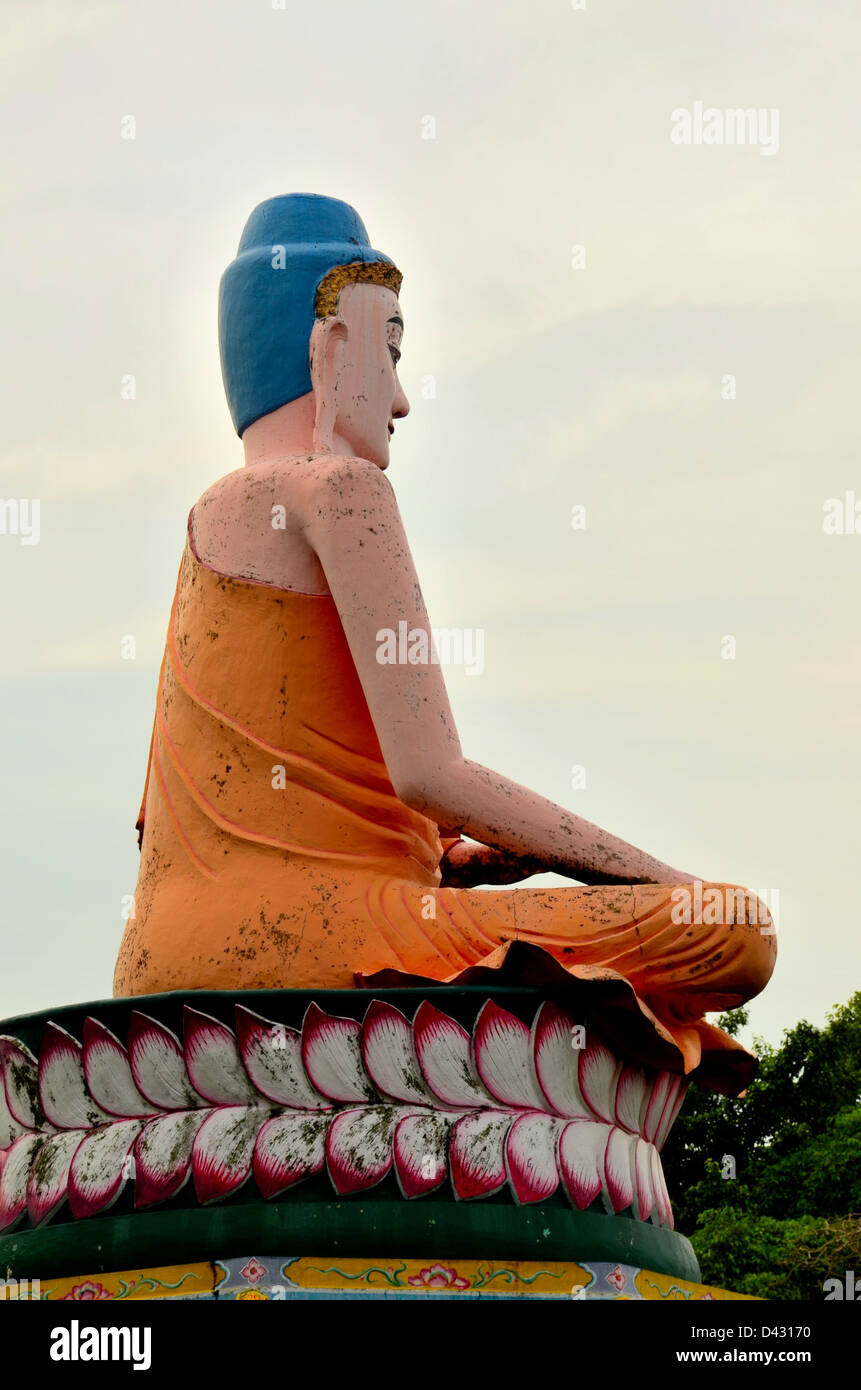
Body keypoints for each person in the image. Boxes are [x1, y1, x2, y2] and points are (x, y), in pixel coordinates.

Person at [113, 195, 775, 1082]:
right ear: (330, 344)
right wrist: (656, 881)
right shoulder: (337, 489)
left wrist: (450, 861)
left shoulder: (203, 521)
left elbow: (218, 812)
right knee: (731, 929)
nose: (399, 398)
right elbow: (431, 773)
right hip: (330, 937)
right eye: (387, 352)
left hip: (156, 972)